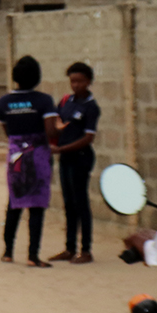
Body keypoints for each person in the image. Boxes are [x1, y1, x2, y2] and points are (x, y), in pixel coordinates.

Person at [0, 55, 60, 266]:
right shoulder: (44, 101)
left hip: (15, 155)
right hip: (38, 154)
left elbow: (7, 130)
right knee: (36, 205)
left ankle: (8, 251)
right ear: (37, 76)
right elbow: (50, 130)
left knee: (14, 202)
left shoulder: (4, 102)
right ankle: (33, 255)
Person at [48, 62, 99, 264]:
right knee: (68, 203)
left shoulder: (91, 106)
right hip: (66, 158)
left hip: (81, 158)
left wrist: (61, 149)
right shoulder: (65, 101)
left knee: (81, 203)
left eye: (80, 81)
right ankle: (69, 248)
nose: (76, 85)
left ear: (88, 82)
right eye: (72, 81)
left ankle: (86, 250)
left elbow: (88, 138)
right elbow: (56, 124)